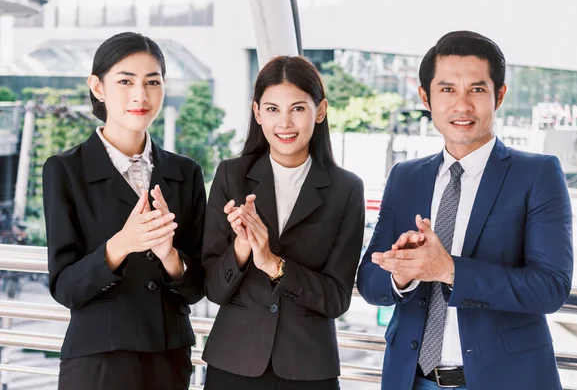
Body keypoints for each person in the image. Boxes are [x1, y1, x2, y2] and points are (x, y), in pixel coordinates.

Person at [357, 31, 573, 390]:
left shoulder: (537, 174)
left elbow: (550, 287)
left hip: (504, 381)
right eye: (447, 90)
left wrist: (449, 270)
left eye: (476, 89)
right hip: (411, 380)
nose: (462, 105)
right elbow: (369, 279)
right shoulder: (405, 177)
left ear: (498, 95)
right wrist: (403, 274)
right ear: (426, 97)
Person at [43, 32, 206, 390]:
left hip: (169, 357)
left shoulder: (185, 172)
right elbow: (64, 287)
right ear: (98, 87)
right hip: (98, 360)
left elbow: (196, 288)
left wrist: (170, 256)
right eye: (125, 81)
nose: (140, 95)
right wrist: (121, 244)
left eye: (152, 82)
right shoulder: (66, 170)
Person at [201, 55, 365, 389]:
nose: (285, 123)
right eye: (273, 109)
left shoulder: (346, 189)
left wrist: (275, 265)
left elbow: (336, 298)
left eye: (298, 108)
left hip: (309, 368)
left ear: (320, 111)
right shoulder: (231, 176)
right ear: (257, 112)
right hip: (234, 362)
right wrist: (242, 247)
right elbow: (215, 289)